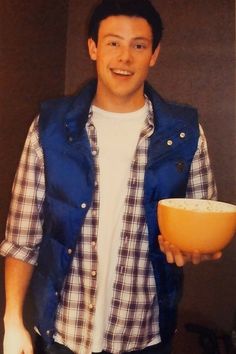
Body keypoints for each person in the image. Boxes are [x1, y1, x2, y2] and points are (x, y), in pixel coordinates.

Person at [0, 0, 222, 353]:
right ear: (93, 47)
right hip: (61, 334)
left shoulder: (184, 133)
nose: (124, 57)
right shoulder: (49, 128)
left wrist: (197, 249)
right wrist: (12, 320)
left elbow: (204, 218)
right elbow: (21, 238)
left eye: (138, 45)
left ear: (154, 54)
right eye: (113, 43)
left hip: (144, 337)